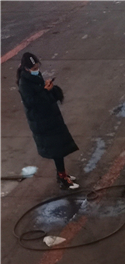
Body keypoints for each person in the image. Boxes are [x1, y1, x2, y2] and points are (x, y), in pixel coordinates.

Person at [17, 52, 79, 190]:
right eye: (34, 68)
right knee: (57, 150)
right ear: (26, 68)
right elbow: (33, 102)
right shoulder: (24, 84)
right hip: (43, 123)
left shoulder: (34, 77)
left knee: (59, 148)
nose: (37, 70)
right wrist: (46, 91)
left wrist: (48, 89)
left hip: (50, 119)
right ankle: (63, 179)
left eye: (37, 67)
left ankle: (62, 174)